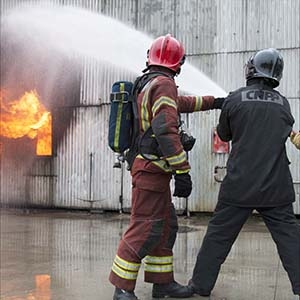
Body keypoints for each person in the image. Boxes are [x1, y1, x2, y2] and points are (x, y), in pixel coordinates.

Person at [109, 34, 224, 300]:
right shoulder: (163, 84)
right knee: (144, 227)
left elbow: (179, 105)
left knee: (165, 226)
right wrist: (183, 171)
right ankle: (122, 288)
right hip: (151, 169)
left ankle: (163, 283)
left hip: (153, 170)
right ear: (179, 62)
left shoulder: (149, 83)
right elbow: (165, 130)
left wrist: (214, 101)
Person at [189, 48, 300, 298]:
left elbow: (225, 134)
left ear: (251, 69)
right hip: (276, 187)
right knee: (291, 241)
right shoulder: (283, 103)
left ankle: (200, 286)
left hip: (240, 186)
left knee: (217, 238)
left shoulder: (234, 99)